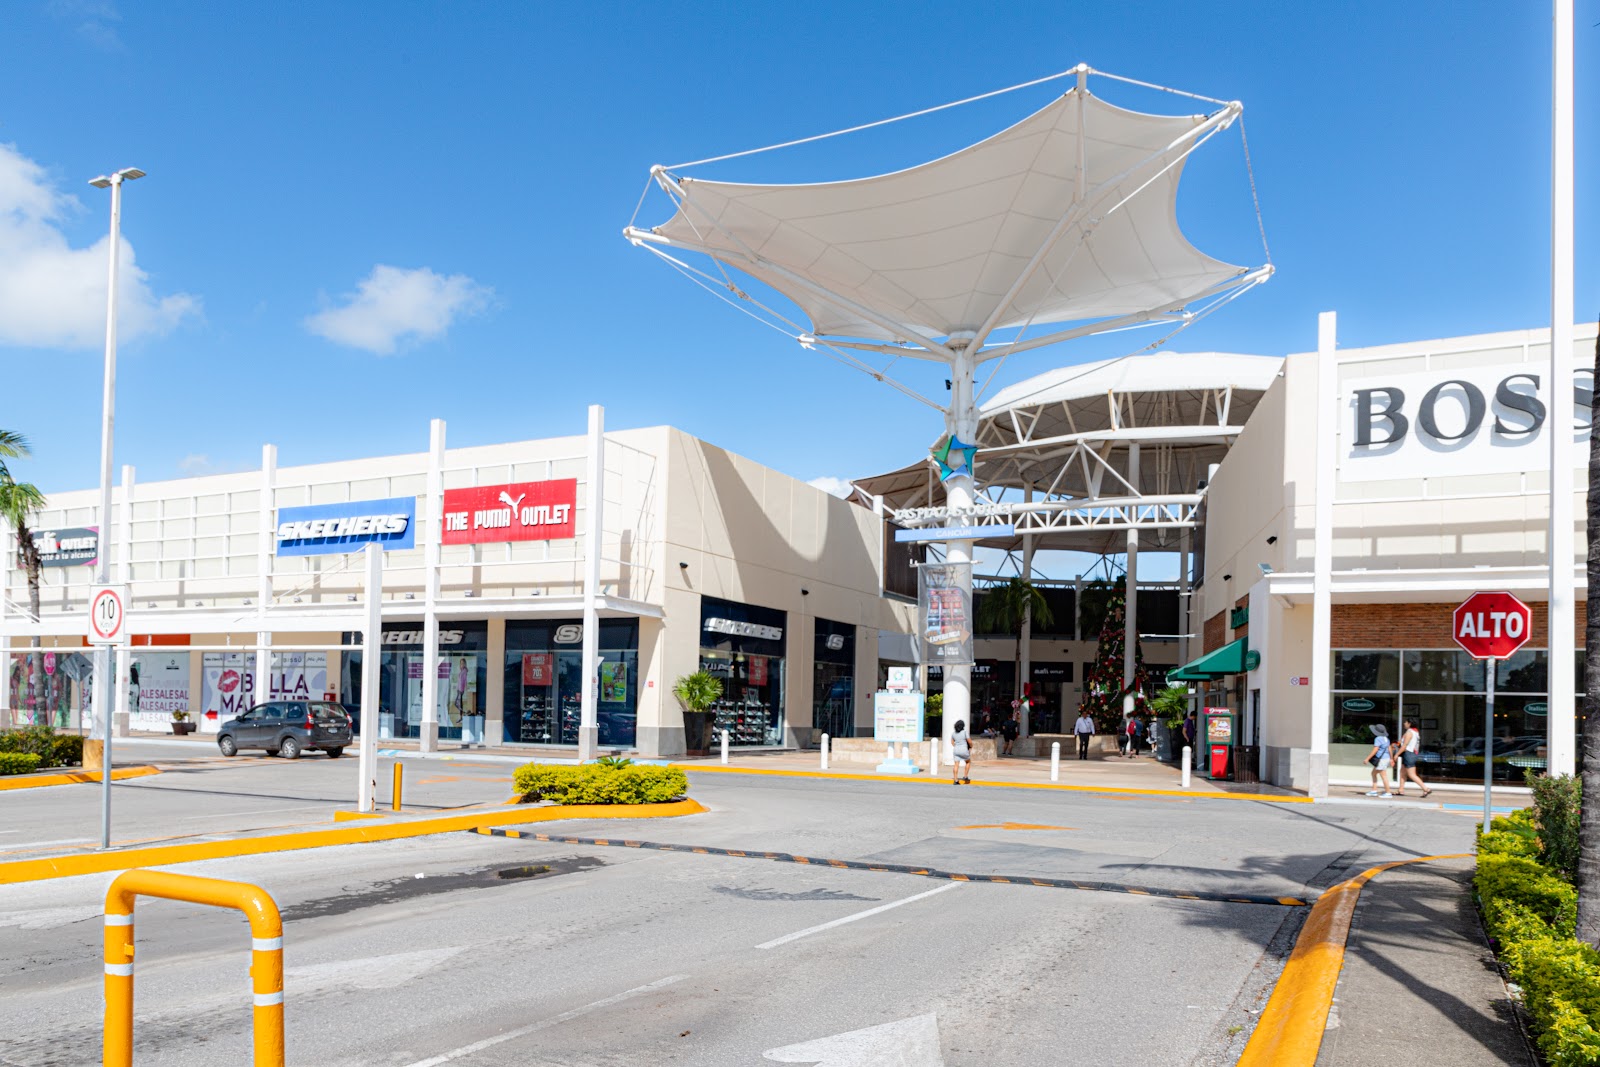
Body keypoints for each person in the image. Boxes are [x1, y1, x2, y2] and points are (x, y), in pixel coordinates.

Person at [1395, 718, 1432, 798]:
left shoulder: (1409, 732)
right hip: (1411, 754)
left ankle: (1426, 788)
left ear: (1409, 723)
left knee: (1411, 774)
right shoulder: (1415, 732)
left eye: (1406, 722)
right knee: (1402, 772)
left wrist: (1397, 754)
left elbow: (1405, 745)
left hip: (1409, 754)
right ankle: (1401, 789)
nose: (1404, 723)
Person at [1365, 725, 1394, 797]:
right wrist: (1391, 758)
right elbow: (1390, 749)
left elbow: (1375, 750)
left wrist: (1367, 758)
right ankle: (1374, 790)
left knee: (1383, 775)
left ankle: (1388, 792)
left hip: (1381, 760)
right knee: (1373, 773)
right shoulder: (1386, 739)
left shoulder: (1378, 739)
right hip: (1386, 758)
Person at [951, 719, 972, 785]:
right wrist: (971, 746)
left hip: (956, 750)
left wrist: (956, 746)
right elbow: (969, 741)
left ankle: (955, 780)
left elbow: (952, 742)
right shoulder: (964, 732)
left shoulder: (953, 733)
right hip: (964, 749)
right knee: (968, 762)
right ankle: (965, 776)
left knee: (956, 764)